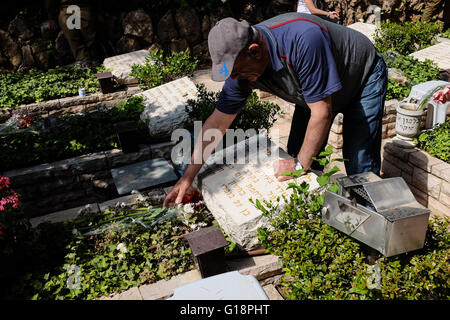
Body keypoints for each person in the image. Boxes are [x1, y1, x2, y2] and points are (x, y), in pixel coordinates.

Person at [163, 12, 387, 207]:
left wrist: (300, 163)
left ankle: (370, 232)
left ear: (255, 51)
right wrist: (187, 177)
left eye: (238, 73)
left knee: (359, 162)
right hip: (315, 91)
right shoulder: (242, 66)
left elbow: (321, 113)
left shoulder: (302, 40)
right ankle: (317, 217)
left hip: (361, 78)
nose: (235, 80)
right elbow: (218, 122)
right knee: (298, 157)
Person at [45, 0, 104, 67]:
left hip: (84, 6)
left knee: (90, 39)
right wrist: (51, 17)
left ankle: (96, 63)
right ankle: (83, 62)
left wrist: (99, 12)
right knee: (72, 38)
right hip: (66, 7)